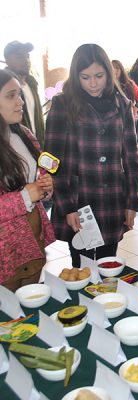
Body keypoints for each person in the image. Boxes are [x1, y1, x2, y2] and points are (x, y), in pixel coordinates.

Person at [45, 44, 138, 267]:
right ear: (76, 76)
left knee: (109, 266)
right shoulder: (62, 105)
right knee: (83, 270)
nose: (93, 83)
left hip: (112, 200)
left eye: (99, 75)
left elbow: (131, 159)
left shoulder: (123, 105)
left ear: (109, 72)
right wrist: (67, 206)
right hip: (79, 201)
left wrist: (132, 203)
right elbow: (53, 162)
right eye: (85, 77)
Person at [0, 69, 55, 291]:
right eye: (11, 96)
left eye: (20, 95)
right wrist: (25, 196)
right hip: (5, 251)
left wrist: (46, 184)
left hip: (31, 239)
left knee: (29, 312)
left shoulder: (23, 133)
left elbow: (40, 169)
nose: (20, 102)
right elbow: (24, 195)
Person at [4, 41, 45, 147]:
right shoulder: (3, 88)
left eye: (27, 56)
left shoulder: (32, 85)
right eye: (19, 56)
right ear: (7, 60)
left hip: (36, 148)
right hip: (13, 148)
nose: (26, 60)